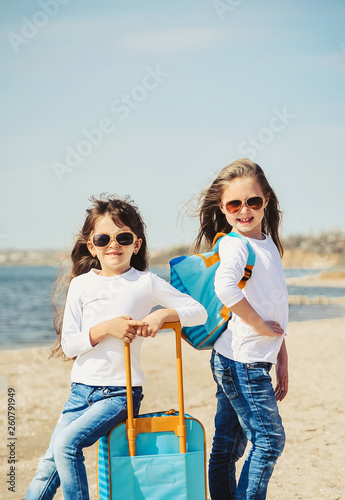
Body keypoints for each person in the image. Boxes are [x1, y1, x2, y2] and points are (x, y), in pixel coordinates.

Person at [25, 194, 207, 500]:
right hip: (80, 391)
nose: (114, 244)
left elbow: (198, 312)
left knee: (66, 444)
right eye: (103, 238)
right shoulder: (82, 284)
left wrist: (162, 314)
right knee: (49, 464)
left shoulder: (145, 282)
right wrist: (106, 328)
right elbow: (69, 345)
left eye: (123, 237)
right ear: (91, 245)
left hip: (120, 393)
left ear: (136, 244)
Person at [192, 158, 288, 500]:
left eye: (253, 201)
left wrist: (282, 357)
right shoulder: (236, 244)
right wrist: (259, 325)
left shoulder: (269, 246)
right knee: (269, 440)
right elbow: (226, 288)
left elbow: (276, 308)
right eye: (235, 203)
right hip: (242, 363)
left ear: (267, 202)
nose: (244, 210)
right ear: (223, 207)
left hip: (250, 361)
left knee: (227, 447)